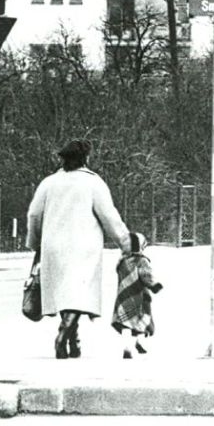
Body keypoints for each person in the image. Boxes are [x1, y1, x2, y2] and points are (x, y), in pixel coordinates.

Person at [26, 139, 131, 359]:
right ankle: (63, 334)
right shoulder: (93, 183)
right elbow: (109, 216)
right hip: (83, 246)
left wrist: (35, 243)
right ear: (86, 158)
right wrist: (125, 243)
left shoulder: (49, 182)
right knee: (78, 293)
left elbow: (34, 214)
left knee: (65, 293)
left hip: (53, 246)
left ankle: (73, 342)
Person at [112, 231, 163, 359]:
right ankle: (138, 341)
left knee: (126, 323)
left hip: (123, 296)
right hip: (139, 295)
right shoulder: (141, 261)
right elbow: (146, 276)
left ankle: (127, 347)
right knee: (142, 320)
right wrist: (154, 285)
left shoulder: (121, 262)